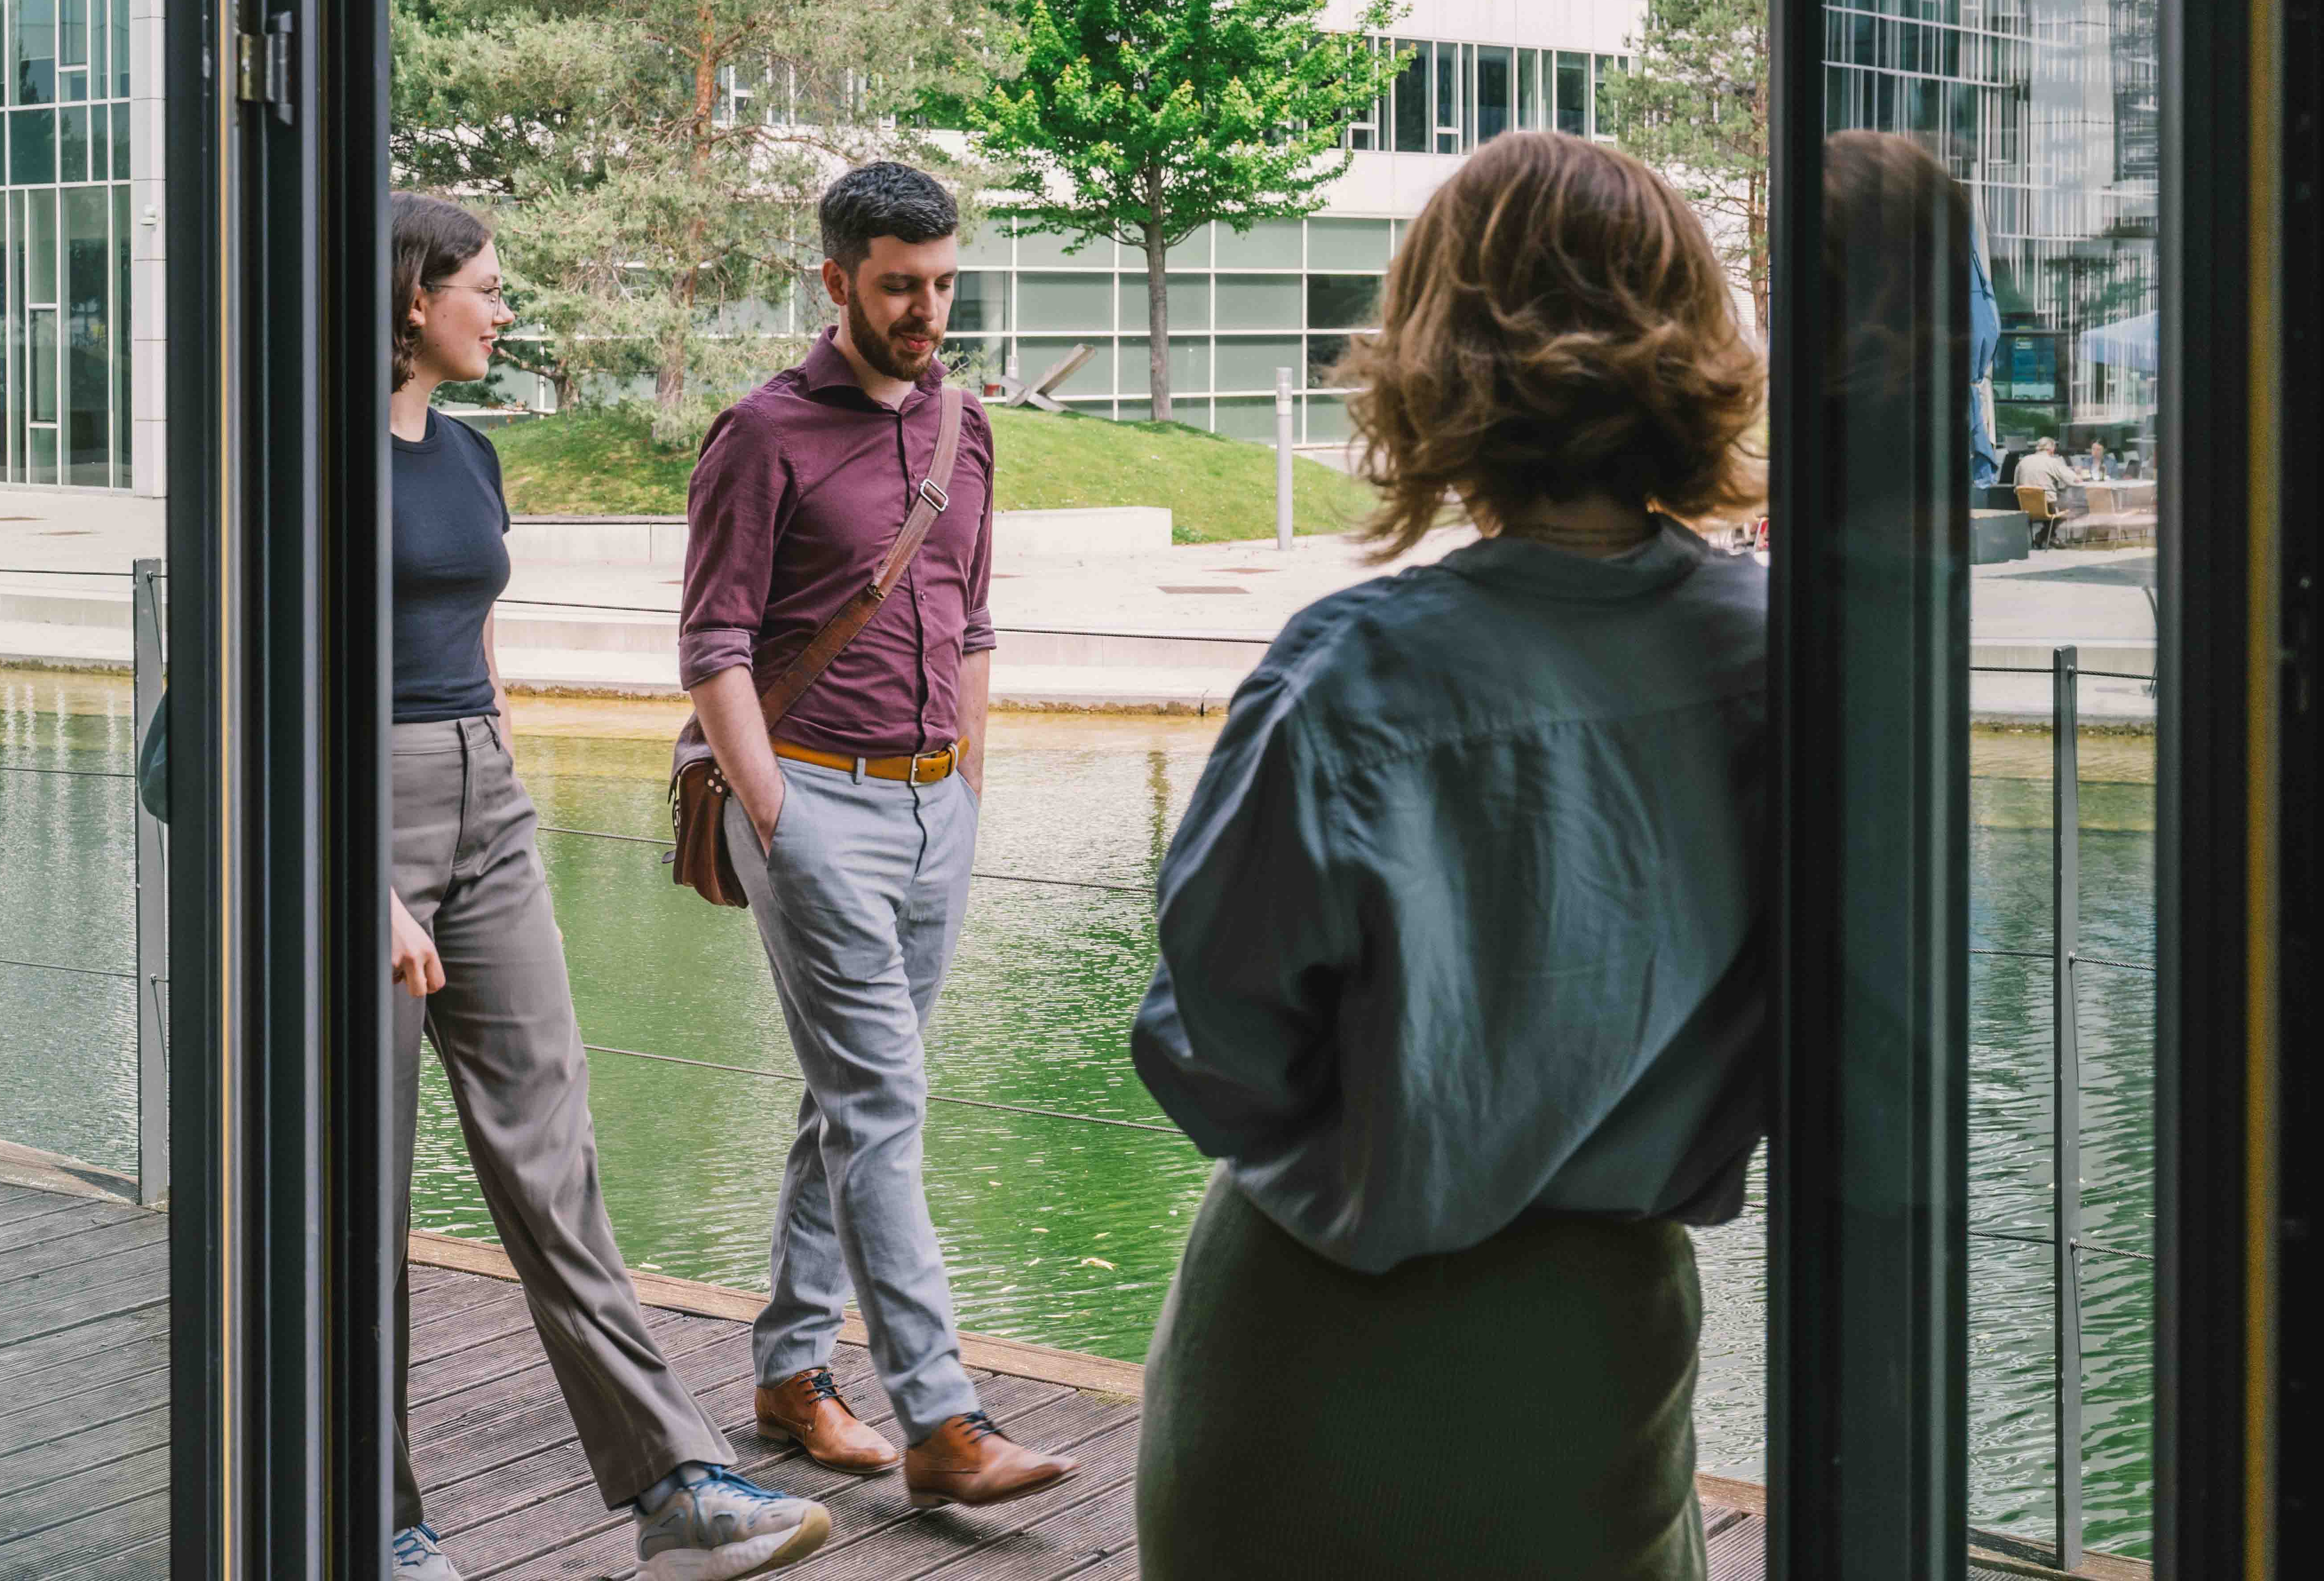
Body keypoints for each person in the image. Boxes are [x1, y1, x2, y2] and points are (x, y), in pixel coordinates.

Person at [1131, 131, 1769, 1578]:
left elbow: (1211, 1052)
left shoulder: (1353, 676)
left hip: (1313, 1344)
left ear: (1432, 350)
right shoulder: (1784, 659)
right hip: (1607, 1355)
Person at [378, 194, 831, 1581]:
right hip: (363, 807)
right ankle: (376, 1522)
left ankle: (676, 1489)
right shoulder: (307, 462)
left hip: (483, 806)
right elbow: (289, 681)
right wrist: (362, 881)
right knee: (360, 1185)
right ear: (414, 298)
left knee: (554, 1159)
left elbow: (480, 642)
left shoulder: (468, 456)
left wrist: (507, 795)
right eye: (487, 288)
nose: (504, 310)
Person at [679, 163, 1076, 1508]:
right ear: (837, 279)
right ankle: (941, 1417)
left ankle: (793, 1374)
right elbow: (716, 645)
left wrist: (970, 780)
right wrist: (775, 817)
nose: (929, 310)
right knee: (884, 1101)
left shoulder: (967, 425)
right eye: (902, 286)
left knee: (851, 1102)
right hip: (811, 800)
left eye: (946, 282)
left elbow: (968, 617)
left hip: (935, 807)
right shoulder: (761, 433)